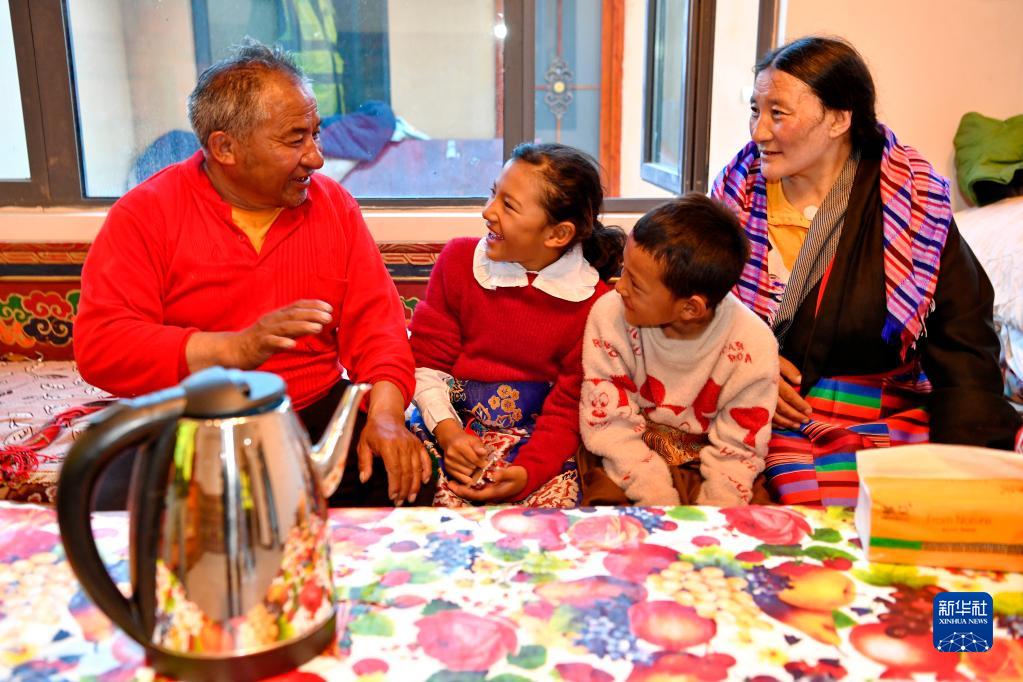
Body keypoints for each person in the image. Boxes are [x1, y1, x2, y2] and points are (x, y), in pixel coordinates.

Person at [74, 41, 430, 508]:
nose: (317, 158)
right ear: (225, 147)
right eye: (294, 140)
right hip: (189, 420)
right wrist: (234, 349)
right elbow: (102, 346)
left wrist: (386, 417)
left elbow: (379, 330)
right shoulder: (145, 214)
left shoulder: (333, 205)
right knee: (114, 506)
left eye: (315, 134)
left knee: (407, 481)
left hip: (309, 410)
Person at [711, 36, 1023, 506]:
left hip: (888, 409)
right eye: (755, 111)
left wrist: (968, 462)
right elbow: (694, 315)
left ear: (839, 119)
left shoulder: (911, 203)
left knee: (963, 497)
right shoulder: (734, 197)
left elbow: (962, 337)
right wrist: (750, 371)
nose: (758, 132)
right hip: (771, 413)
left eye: (778, 113)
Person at [407, 143, 625, 506]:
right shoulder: (458, 262)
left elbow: (567, 410)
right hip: (446, 422)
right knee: (426, 502)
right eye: (493, 194)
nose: (487, 211)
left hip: (538, 444)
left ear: (557, 235)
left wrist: (526, 473)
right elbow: (426, 364)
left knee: (547, 522)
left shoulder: (594, 305)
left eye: (508, 205)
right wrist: (449, 434)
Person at [577, 194, 779, 506]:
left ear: (690, 308)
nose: (620, 286)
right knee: (609, 518)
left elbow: (739, 450)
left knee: (749, 523)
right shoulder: (610, 315)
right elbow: (609, 426)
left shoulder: (754, 346)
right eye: (624, 269)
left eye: (636, 284)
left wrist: (715, 514)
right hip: (627, 454)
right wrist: (655, 498)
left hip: (712, 458)